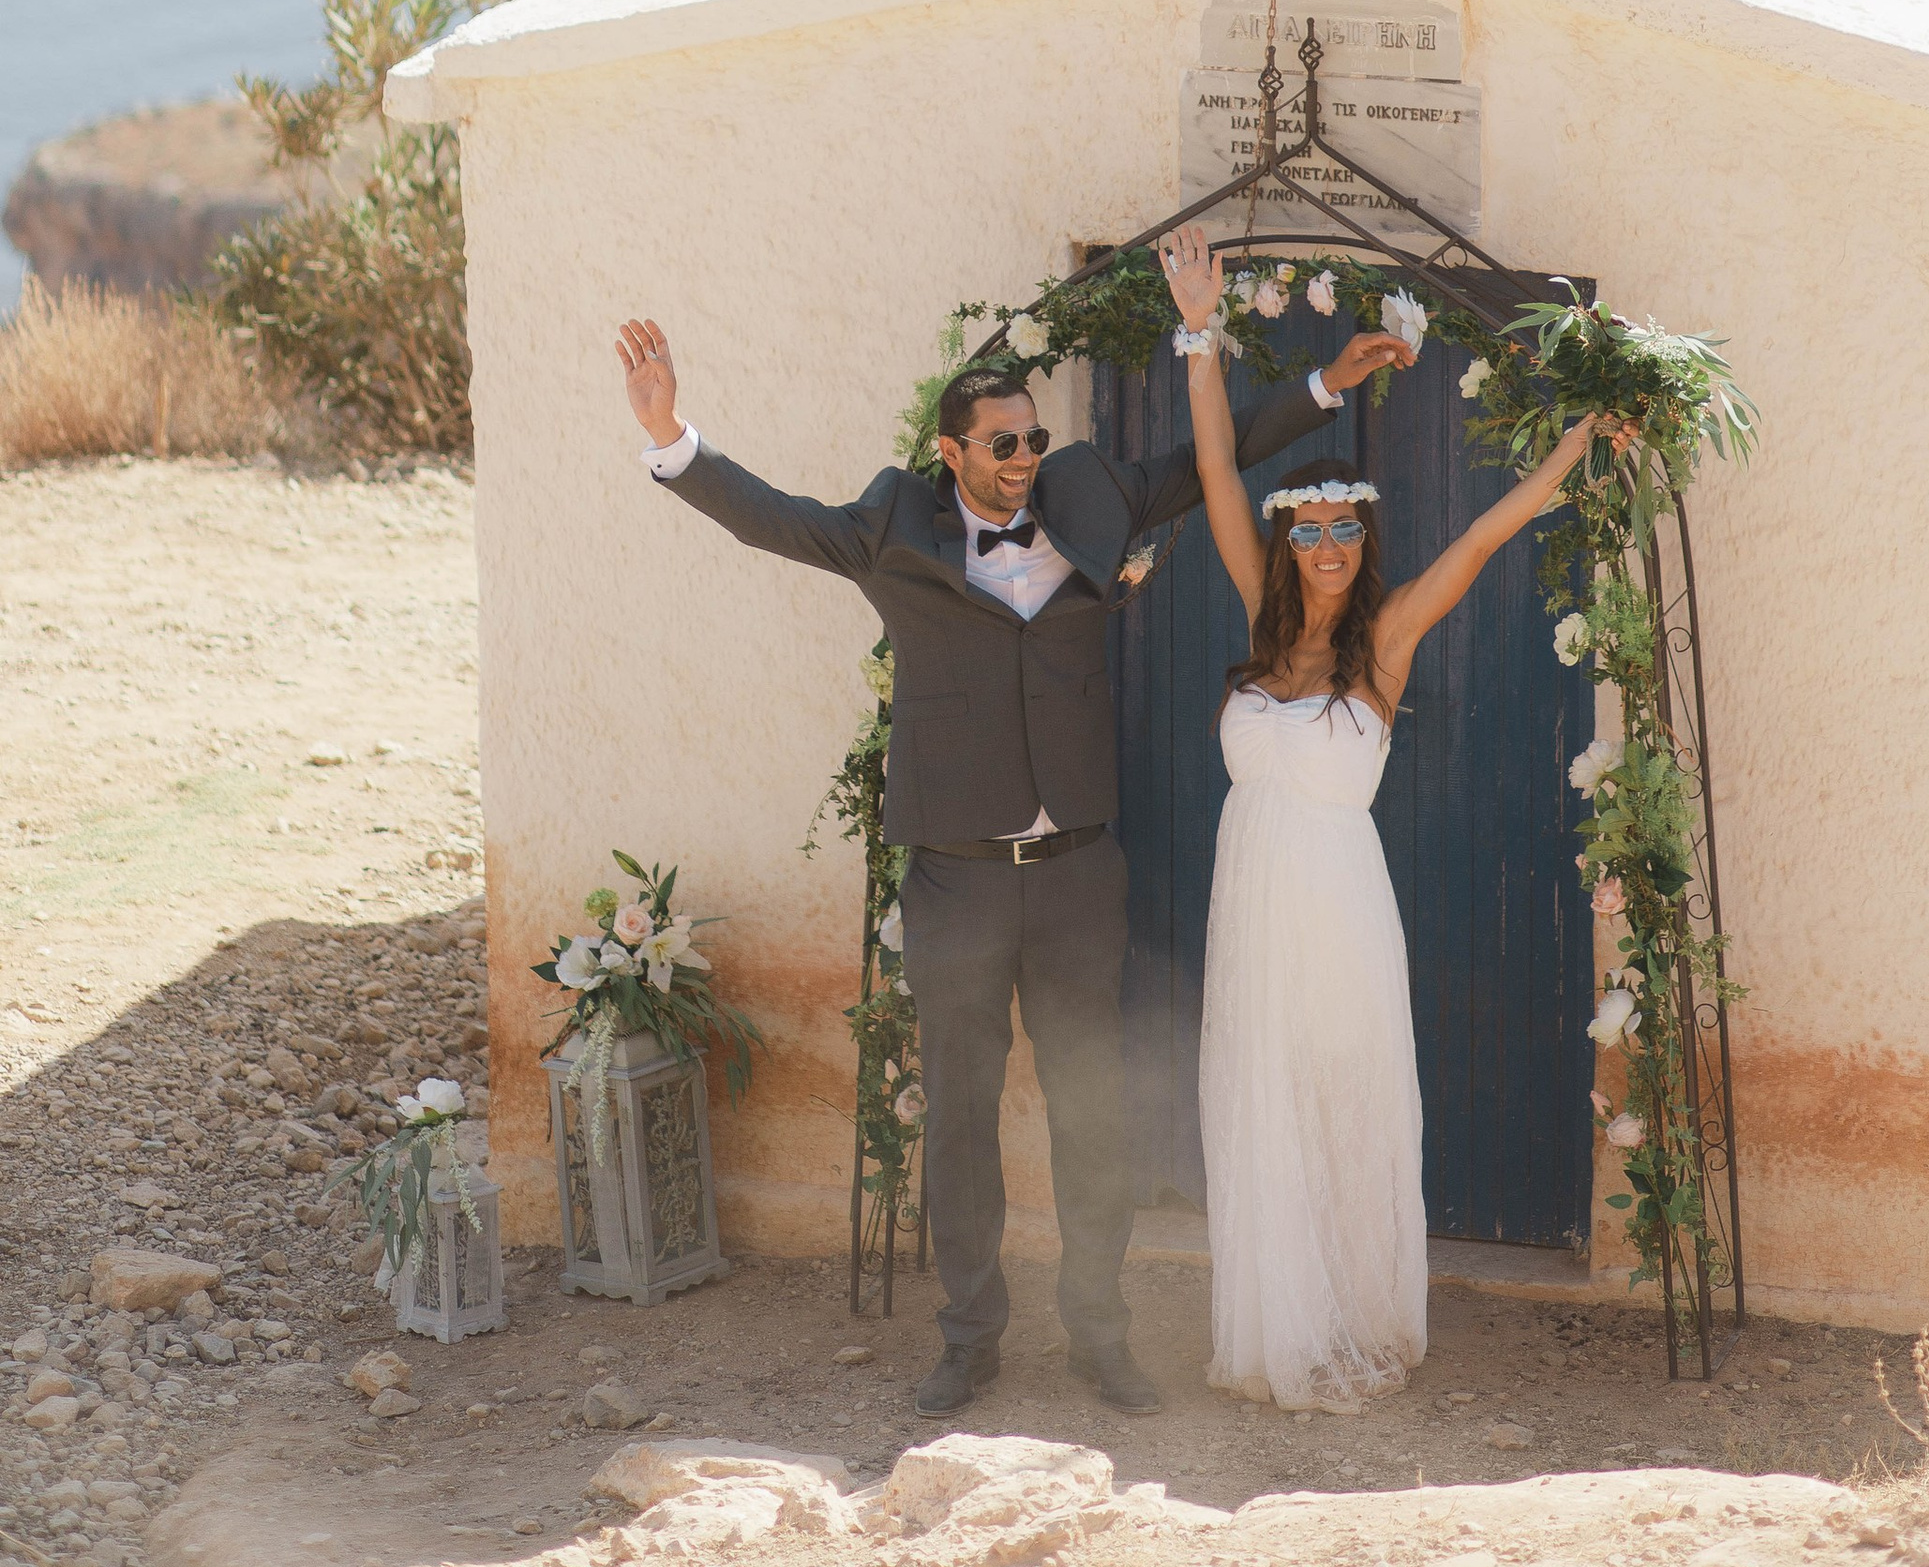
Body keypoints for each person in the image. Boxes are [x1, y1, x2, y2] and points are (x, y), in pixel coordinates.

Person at [610, 291, 1414, 1416]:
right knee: (961, 1114)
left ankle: (1099, 1334)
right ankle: (969, 1336)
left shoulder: (1086, 491)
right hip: (959, 879)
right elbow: (776, 518)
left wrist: (1326, 387)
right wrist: (669, 437)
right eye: (1004, 444)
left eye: (1034, 438)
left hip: (1081, 874)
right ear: (952, 454)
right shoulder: (893, 525)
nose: (1027, 458)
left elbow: (1199, 463)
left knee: (1094, 1111)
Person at [1154, 223, 1613, 1415]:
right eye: (1305, 530)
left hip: (1340, 904)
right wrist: (1199, 335)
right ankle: (1275, 1325)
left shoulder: (1388, 643)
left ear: (1364, 545)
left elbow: (1481, 538)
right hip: (1253, 899)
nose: (1321, 548)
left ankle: (1351, 1311)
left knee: (1343, 1096)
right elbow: (1213, 476)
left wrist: (1570, 450)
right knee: (1263, 1097)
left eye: (1341, 531)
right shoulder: (1261, 616)